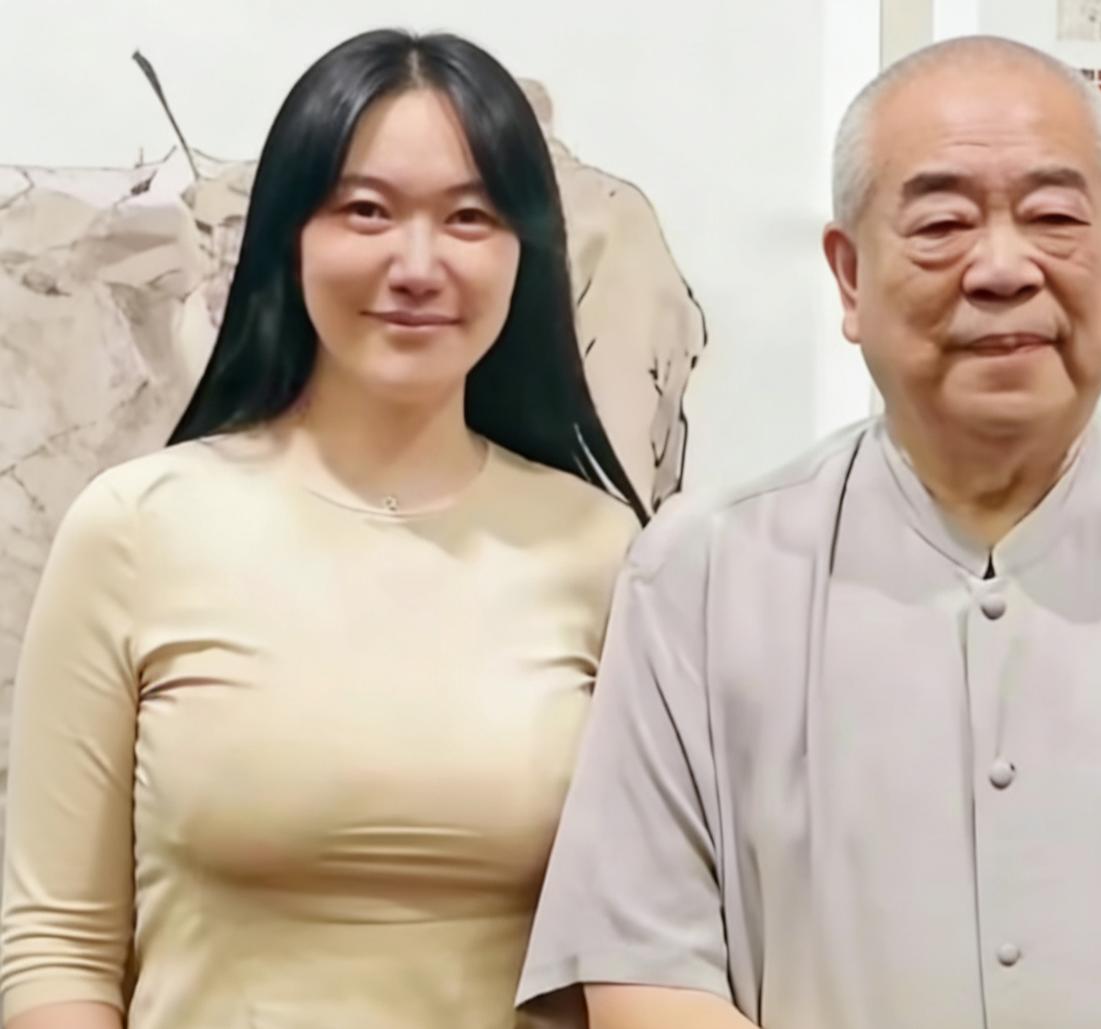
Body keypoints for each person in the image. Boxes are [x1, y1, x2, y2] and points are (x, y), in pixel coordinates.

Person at [516, 35, 1101, 1029]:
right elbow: (645, 968)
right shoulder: (698, 577)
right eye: (941, 224)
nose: (1002, 268)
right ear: (848, 277)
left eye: (1054, 218)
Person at [0, 28, 642, 1029]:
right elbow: (58, 946)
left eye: (470, 216)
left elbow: (645, 951)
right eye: (366, 211)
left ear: (525, 250)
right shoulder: (132, 531)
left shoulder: (604, 553)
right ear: (287, 236)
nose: (417, 264)